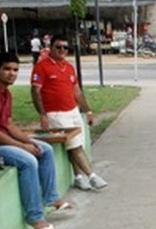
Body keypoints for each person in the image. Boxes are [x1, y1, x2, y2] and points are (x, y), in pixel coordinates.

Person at [0, 52, 73, 229]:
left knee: (44, 149)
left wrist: (28, 141)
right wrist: (22, 147)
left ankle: (51, 198)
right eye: (6, 69)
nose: (11, 73)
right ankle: (35, 217)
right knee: (28, 161)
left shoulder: (5, 93)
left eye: (15, 70)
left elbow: (8, 124)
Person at [31, 34, 108, 191]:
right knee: (74, 146)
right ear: (50, 48)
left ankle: (78, 177)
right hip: (55, 114)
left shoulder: (69, 67)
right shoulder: (41, 67)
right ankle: (92, 176)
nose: (62, 50)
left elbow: (77, 91)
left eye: (65, 47)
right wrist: (43, 114)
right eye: (58, 47)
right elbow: (35, 92)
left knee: (77, 144)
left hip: (72, 110)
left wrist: (87, 110)